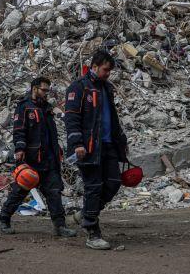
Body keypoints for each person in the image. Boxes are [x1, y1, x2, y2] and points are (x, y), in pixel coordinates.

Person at [64, 50, 129, 250]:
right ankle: (92, 232)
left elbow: (113, 119)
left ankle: (85, 214)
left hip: (108, 146)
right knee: (93, 187)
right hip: (89, 148)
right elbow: (72, 118)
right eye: (105, 69)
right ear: (93, 66)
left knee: (113, 182)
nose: (108, 73)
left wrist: (122, 142)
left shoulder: (106, 88)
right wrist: (77, 144)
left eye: (110, 70)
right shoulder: (79, 87)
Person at [0, 77, 77, 238]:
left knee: (54, 192)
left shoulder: (47, 108)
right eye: (44, 90)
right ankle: (3, 218)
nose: (46, 93)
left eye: (48, 90)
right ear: (34, 88)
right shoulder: (24, 107)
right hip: (32, 158)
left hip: (49, 158)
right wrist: (20, 149)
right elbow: (19, 130)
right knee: (20, 190)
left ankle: (59, 226)